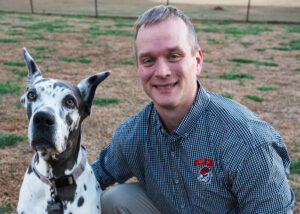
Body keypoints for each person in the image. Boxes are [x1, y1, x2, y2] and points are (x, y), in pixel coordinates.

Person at [91, 5, 295, 214]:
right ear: (139, 69)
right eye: (149, 60)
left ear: (197, 61)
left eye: (173, 56)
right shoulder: (135, 134)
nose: (162, 72)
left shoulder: (248, 143)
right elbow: (95, 175)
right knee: (116, 199)